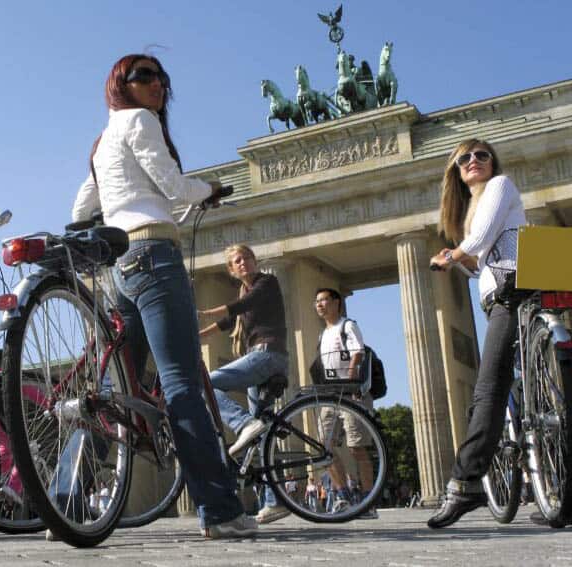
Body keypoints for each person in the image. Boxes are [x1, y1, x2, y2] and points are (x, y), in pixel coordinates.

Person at [71, 53, 254, 539]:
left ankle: (67, 501)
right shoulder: (140, 121)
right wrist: (210, 187)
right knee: (180, 384)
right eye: (144, 76)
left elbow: (81, 207)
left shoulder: (104, 139)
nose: (157, 86)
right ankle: (220, 510)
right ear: (121, 82)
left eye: (160, 79)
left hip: (121, 268)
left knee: (114, 393)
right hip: (155, 253)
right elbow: (173, 186)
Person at [425, 139, 562, 527]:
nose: (474, 161)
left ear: (492, 162)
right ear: (455, 169)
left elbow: (482, 241)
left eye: (481, 155)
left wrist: (451, 255)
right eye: (464, 158)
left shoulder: (500, 185)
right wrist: (459, 261)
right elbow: (480, 261)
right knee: (536, 392)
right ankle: (561, 493)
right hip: (501, 292)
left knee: (489, 387)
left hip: (513, 290)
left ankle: (466, 483)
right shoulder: (471, 208)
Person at [198, 244, 290, 525]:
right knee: (261, 436)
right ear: (231, 269)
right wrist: (201, 334)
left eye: (247, 258)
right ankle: (275, 502)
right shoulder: (244, 291)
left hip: (266, 355)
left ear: (254, 260)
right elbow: (230, 321)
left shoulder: (266, 282)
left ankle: (240, 423)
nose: (243, 263)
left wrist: (206, 313)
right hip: (259, 358)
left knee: (205, 384)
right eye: (237, 261)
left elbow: (241, 307)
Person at [311, 287, 378, 519]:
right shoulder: (322, 334)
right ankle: (342, 495)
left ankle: (368, 499)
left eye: (324, 300)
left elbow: (357, 353)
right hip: (329, 396)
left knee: (357, 447)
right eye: (316, 302)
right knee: (324, 448)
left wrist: (349, 386)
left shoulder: (347, 326)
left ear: (337, 302)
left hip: (350, 395)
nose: (319, 305)